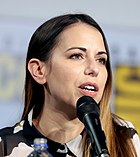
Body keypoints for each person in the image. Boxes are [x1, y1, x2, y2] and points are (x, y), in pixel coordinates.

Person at [0, 13, 140, 157]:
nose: (94, 69)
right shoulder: (4, 147)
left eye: (101, 60)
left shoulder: (125, 138)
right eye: (77, 56)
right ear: (39, 70)